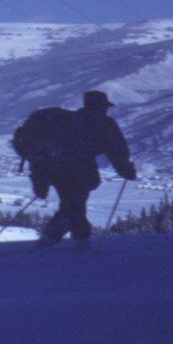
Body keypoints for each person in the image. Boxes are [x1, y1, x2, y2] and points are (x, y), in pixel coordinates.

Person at [35, 90, 137, 249]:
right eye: (104, 107)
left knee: (72, 204)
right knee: (74, 205)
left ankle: (73, 239)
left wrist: (41, 178)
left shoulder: (69, 121)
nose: (105, 110)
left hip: (56, 171)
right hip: (82, 172)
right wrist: (126, 169)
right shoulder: (104, 124)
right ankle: (61, 239)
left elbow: (47, 148)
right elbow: (117, 150)